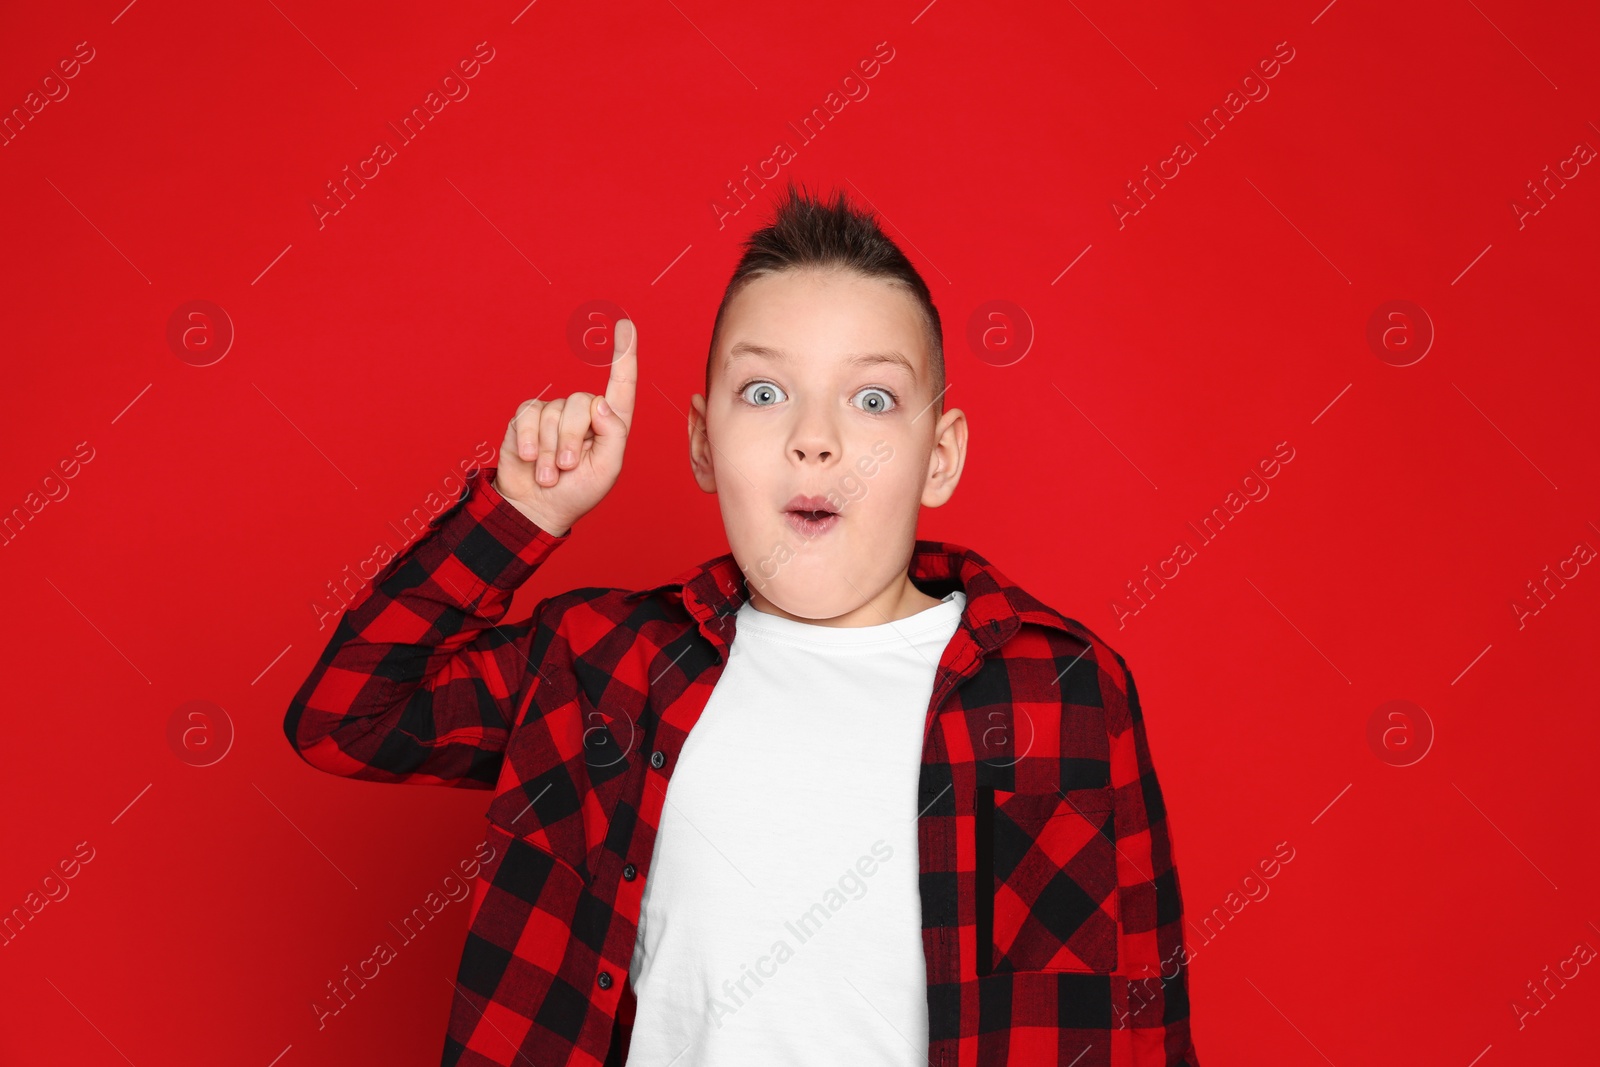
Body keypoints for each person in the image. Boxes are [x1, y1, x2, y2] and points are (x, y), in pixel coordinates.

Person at [283, 182, 1200, 1067]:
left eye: (872, 399)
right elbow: (348, 715)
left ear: (941, 457)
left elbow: (1142, 1025)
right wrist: (523, 516)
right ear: (700, 443)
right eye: (764, 393)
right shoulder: (602, 664)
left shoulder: (1065, 690)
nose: (815, 438)